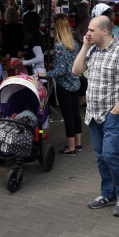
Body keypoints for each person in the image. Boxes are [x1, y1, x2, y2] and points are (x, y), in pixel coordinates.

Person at [72, 16, 119, 217]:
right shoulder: (92, 50)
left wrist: (117, 110)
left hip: (112, 115)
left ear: (104, 31)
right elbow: (76, 70)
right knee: (101, 156)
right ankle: (107, 193)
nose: (87, 33)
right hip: (93, 114)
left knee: (111, 154)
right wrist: (84, 46)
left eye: (91, 30)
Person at [38, 14, 82, 156]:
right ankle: (78, 143)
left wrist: (46, 74)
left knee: (68, 115)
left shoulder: (58, 46)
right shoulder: (74, 43)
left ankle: (71, 147)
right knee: (75, 114)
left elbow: (61, 70)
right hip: (75, 82)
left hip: (64, 85)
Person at [20, 11, 46, 76]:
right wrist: (25, 53)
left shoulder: (35, 40)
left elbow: (40, 58)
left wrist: (23, 62)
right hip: (35, 74)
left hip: (36, 75)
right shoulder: (36, 36)